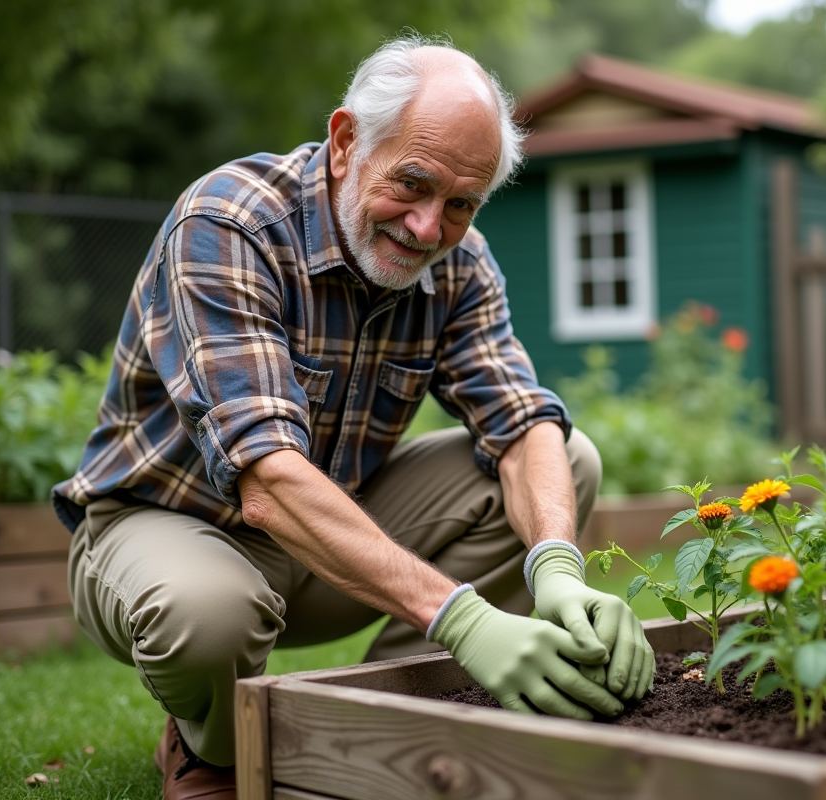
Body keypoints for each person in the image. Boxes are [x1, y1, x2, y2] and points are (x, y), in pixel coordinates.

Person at [51, 36, 654, 800]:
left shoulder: (459, 267)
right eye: (412, 183)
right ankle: (214, 749)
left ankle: (380, 718)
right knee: (208, 614)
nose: (428, 228)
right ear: (345, 143)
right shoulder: (230, 222)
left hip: (328, 540)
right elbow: (266, 479)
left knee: (567, 458)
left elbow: (521, 416)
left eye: (460, 204)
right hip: (166, 529)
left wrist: (558, 570)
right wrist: (466, 621)